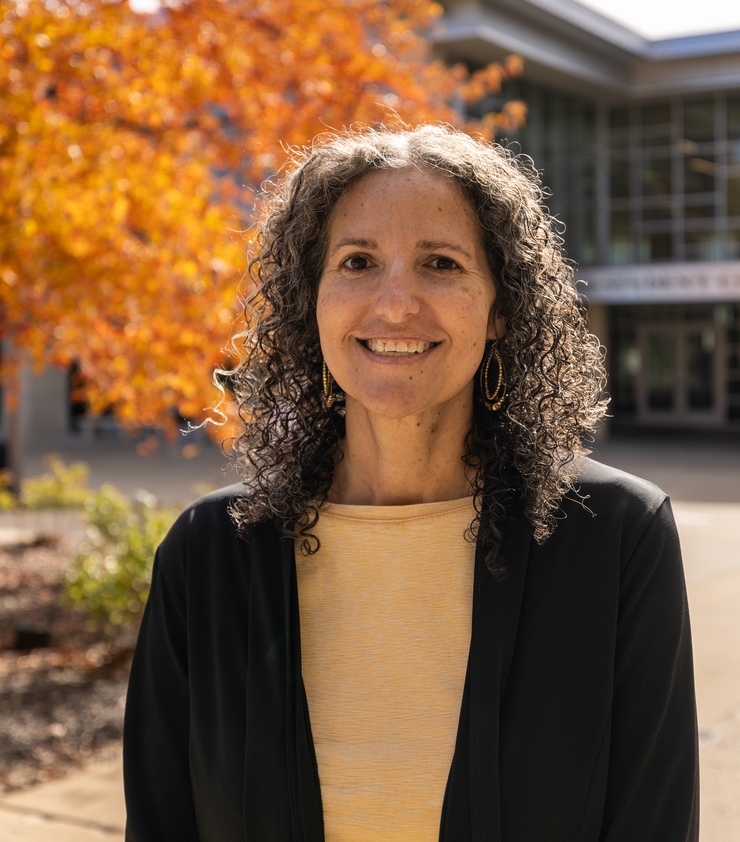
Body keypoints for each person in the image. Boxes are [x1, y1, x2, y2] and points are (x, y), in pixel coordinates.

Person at [123, 125, 699, 841]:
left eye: (441, 263)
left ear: (501, 308)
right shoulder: (209, 553)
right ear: (314, 301)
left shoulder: (616, 538)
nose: (395, 303)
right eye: (358, 260)